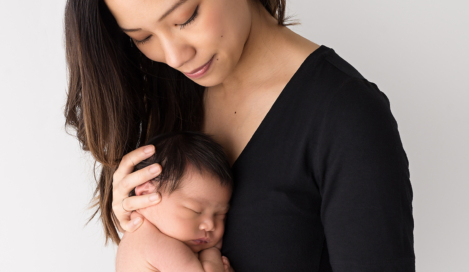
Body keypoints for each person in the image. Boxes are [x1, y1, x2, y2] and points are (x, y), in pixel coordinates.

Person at [63, 0, 415, 271]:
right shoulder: (166, 96)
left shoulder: (346, 115)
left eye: (186, 17)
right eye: (143, 37)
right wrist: (141, 225)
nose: (174, 56)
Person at [116, 131, 233, 272]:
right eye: (195, 211)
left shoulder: (135, 238)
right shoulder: (157, 246)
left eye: (221, 215)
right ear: (145, 195)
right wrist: (212, 256)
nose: (210, 225)